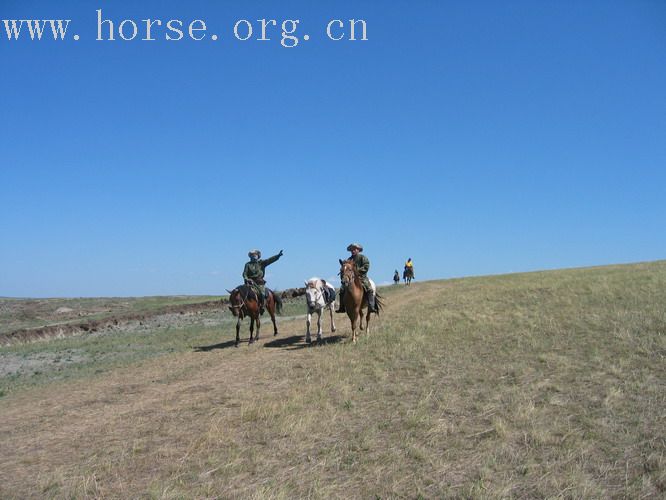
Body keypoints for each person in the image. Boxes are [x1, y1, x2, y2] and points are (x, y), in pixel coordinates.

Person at [336, 243, 377, 313]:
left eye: (355, 249)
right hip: (351, 278)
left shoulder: (363, 257)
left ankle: (371, 306)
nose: (353, 251)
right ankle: (342, 307)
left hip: (361, 277)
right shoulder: (349, 259)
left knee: (369, 288)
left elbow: (366, 266)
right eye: (352, 249)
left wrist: (357, 271)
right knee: (342, 289)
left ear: (358, 250)